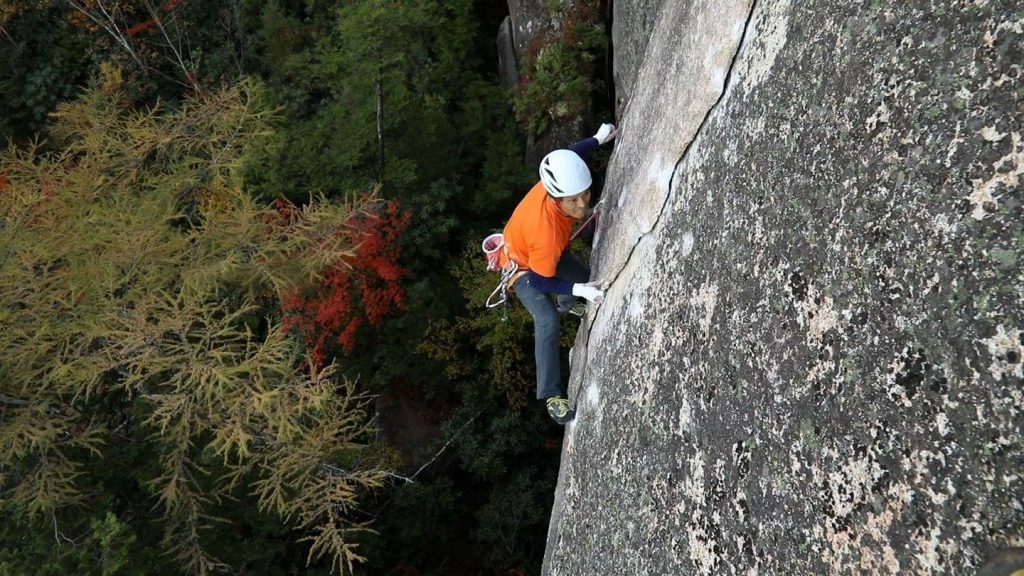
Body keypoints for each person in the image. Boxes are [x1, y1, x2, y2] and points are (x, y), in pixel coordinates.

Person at [500, 123, 617, 425]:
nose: (583, 205)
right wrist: (579, 290)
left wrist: (597, 139)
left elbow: (570, 155)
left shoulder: (559, 181)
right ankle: (552, 396)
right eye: (574, 201)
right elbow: (540, 280)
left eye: (585, 195)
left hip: (545, 253)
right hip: (523, 269)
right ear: (556, 199)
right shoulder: (546, 232)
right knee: (547, 319)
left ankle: (569, 303)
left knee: (583, 275)